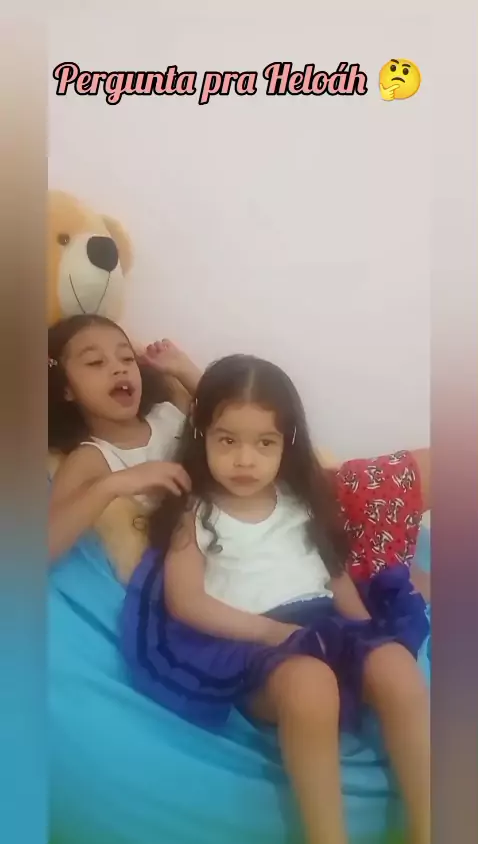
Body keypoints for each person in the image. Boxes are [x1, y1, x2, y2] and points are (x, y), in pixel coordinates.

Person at [121, 354, 430, 844]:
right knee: (310, 685)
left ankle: (430, 825)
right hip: (254, 643)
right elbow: (186, 601)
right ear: (202, 437)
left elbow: (332, 573)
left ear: (287, 444)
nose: (245, 460)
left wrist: (367, 631)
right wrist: (272, 632)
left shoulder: (300, 498)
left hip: (325, 624)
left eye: (264, 443)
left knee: (397, 665)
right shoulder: (193, 512)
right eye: (228, 441)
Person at [48, 314, 201, 561]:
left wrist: (185, 370)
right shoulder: (90, 458)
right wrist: (114, 484)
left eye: (127, 358)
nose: (120, 368)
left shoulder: (169, 411)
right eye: (96, 362)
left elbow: (237, 419)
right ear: (67, 389)